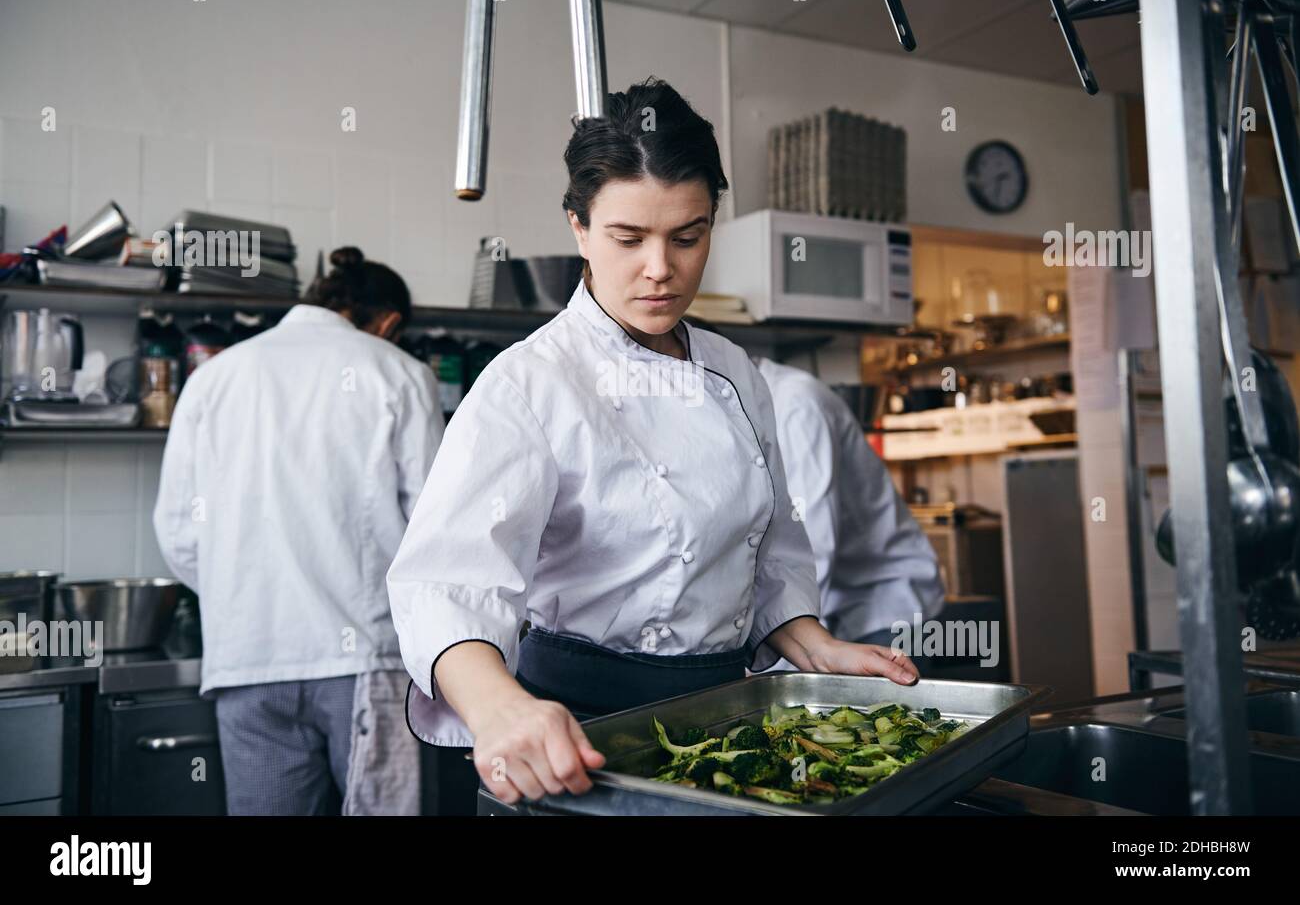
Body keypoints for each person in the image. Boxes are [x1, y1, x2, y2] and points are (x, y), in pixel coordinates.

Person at [387, 78, 918, 810]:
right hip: (582, 737)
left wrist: (810, 643)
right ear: (578, 227)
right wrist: (498, 707)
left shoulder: (735, 374)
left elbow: (770, 549)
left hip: (729, 718)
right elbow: (447, 583)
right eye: (628, 238)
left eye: (687, 236)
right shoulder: (530, 384)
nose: (661, 268)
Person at [154, 247, 444, 815]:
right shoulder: (400, 374)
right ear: (388, 323)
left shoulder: (213, 378)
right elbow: (431, 531)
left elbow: (180, 533)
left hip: (247, 656)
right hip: (364, 659)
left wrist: (238, 592)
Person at [753, 358, 946, 662]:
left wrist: (775, 647)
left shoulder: (796, 405)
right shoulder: (753, 405)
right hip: (835, 613)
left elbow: (811, 545)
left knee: (886, 709)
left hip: (886, 608)